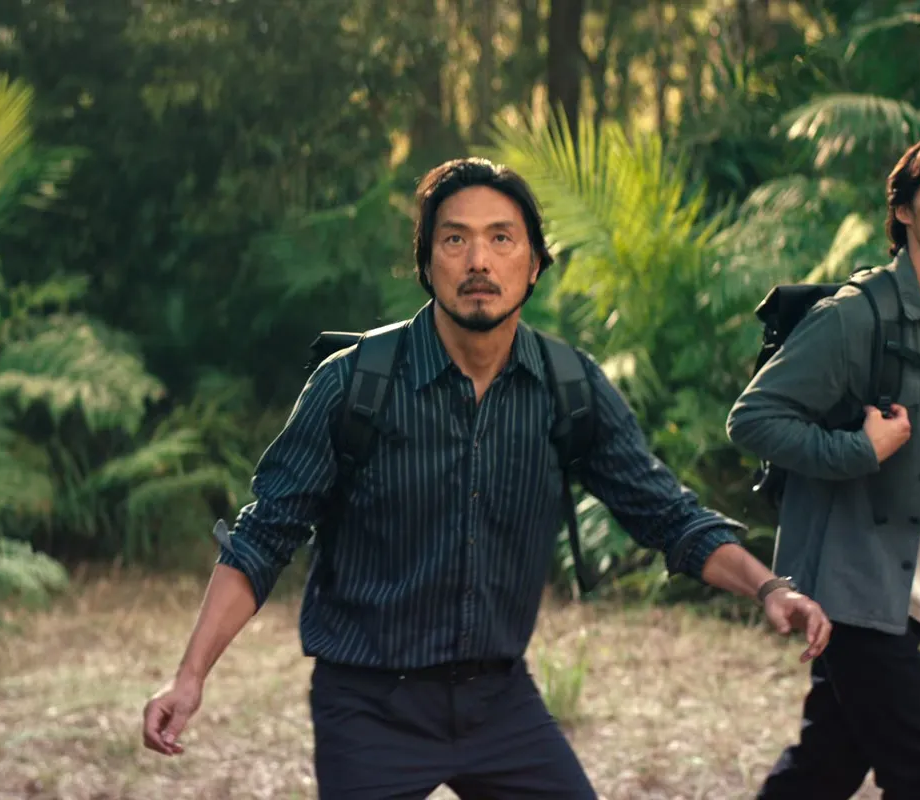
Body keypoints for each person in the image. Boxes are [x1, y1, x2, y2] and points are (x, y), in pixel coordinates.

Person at [140, 157, 832, 798]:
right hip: (369, 706)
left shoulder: (568, 388)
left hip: (499, 703)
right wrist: (189, 677)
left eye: (502, 239)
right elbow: (263, 537)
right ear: (426, 264)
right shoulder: (354, 384)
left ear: (533, 265)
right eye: (455, 240)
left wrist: (768, 586)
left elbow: (666, 514)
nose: (479, 260)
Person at [726, 132, 920, 799]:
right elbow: (752, 418)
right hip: (851, 582)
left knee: (825, 766)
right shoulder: (855, 316)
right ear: (905, 210)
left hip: (912, 581)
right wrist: (858, 449)